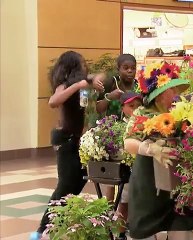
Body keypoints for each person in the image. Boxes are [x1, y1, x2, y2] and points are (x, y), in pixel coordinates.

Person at [29, 51, 104, 240]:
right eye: (81, 64)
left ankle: (61, 219)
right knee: (65, 184)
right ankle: (41, 230)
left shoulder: (82, 87)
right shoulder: (64, 86)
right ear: (72, 68)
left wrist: (91, 86)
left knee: (81, 178)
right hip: (64, 139)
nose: (85, 67)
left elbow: (87, 105)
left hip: (76, 139)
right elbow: (53, 102)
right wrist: (80, 84)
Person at [123, 68, 193, 240]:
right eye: (171, 90)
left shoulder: (180, 114)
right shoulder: (142, 115)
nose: (175, 94)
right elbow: (128, 142)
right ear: (159, 95)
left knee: (183, 232)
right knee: (146, 234)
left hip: (179, 186)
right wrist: (151, 149)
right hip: (149, 186)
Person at [96, 54, 138, 204]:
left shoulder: (138, 86)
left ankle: (125, 206)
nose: (130, 71)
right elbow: (98, 108)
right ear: (118, 69)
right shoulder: (112, 83)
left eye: (133, 68)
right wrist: (109, 97)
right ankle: (108, 207)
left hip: (133, 134)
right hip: (113, 134)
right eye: (126, 68)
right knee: (113, 176)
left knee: (128, 176)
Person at [116, 92, 143, 240]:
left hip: (141, 168)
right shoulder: (120, 126)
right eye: (131, 106)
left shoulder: (144, 121)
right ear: (122, 108)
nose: (135, 109)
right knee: (124, 202)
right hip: (126, 168)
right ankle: (120, 234)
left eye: (138, 105)